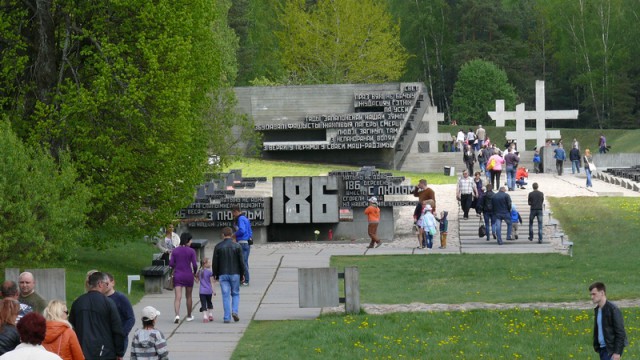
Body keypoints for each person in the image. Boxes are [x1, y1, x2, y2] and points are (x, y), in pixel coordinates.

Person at [69, 271, 124, 360]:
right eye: (106, 283)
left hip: (82, 351)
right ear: (100, 284)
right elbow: (117, 330)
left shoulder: (78, 302)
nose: (107, 286)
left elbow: (71, 327)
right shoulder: (108, 303)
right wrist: (119, 352)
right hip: (105, 353)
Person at [212, 227, 246, 324]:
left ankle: (227, 317)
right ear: (231, 234)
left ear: (223, 235)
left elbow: (215, 262)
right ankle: (234, 311)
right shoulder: (237, 246)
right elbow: (241, 262)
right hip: (235, 273)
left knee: (225, 295)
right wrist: (242, 274)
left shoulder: (218, 246)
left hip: (223, 273)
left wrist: (215, 274)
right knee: (235, 293)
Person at [589, 282, 628, 360]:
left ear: (602, 293)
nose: (592, 297)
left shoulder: (613, 309)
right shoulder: (598, 310)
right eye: (591, 294)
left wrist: (617, 352)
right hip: (602, 349)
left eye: (594, 294)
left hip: (611, 351)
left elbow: (620, 333)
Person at [169, 232, 198, 323]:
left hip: (178, 275)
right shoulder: (191, 251)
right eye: (190, 240)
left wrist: (176, 265)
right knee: (188, 296)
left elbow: (171, 264)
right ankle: (189, 315)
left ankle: (177, 315)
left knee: (178, 297)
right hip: (188, 275)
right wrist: (195, 273)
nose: (191, 242)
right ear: (187, 241)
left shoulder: (175, 250)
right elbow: (194, 264)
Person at [104, 273, 134, 352]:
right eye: (103, 283)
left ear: (113, 283)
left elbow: (131, 318)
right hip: (105, 338)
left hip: (119, 339)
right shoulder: (99, 299)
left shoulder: (121, 298)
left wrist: (122, 334)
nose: (105, 285)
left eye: (107, 283)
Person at [232, 206, 252, 286]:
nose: (233, 215)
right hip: (247, 242)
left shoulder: (240, 219)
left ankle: (245, 280)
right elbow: (250, 231)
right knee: (245, 261)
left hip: (242, 242)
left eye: (233, 213)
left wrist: (234, 235)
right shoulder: (246, 219)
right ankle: (244, 278)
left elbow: (242, 230)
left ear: (236, 211)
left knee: (242, 262)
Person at [197, 257, 215, 323]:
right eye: (209, 262)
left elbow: (197, 281)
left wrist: (193, 276)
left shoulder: (199, 272)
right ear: (205, 264)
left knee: (203, 304)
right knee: (209, 302)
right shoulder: (210, 272)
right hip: (209, 291)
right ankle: (210, 315)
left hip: (202, 291)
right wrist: (214, 290)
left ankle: (205, 317)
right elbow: (212, 282)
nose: (210, 264)